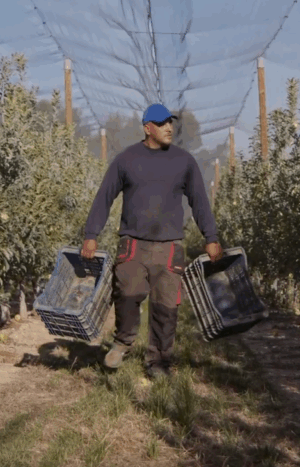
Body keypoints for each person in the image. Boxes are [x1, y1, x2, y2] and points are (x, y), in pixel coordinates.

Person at [80, 103, 222, 379]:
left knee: (166, 308)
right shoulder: (126, 160)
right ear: (148, 128)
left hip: (170, 246)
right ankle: (123, 342)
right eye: (162, 123)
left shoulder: (184, 161)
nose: (169, 127)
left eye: (170, 122)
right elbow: (104, 197)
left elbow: (200, 202)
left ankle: (158, 362)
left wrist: (211, 237)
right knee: (126, 294)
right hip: (133, 243)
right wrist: (91, 235)